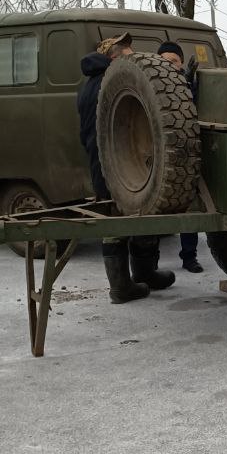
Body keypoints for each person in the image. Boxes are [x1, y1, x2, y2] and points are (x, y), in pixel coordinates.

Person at [78, 34, 175, 302]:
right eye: (128, 54)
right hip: (116, 165)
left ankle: (142, 276)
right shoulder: (110, 84)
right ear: (114, 57)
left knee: (128, 219)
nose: (134, 59)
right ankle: (122, 286)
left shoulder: (90, 84)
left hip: (107, 163)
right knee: (120, 221)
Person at [157, 41, 203, 274]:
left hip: (186, 155)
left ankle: (189, 257)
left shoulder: (189, 84)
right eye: (164, 61)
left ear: (181, 63)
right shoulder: (153, 87)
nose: (169, 65)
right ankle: (149, 264)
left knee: (189, 209)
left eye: (173, 61)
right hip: (160, 158)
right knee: (155, 212)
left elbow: (195, 109)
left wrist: (187, 83)